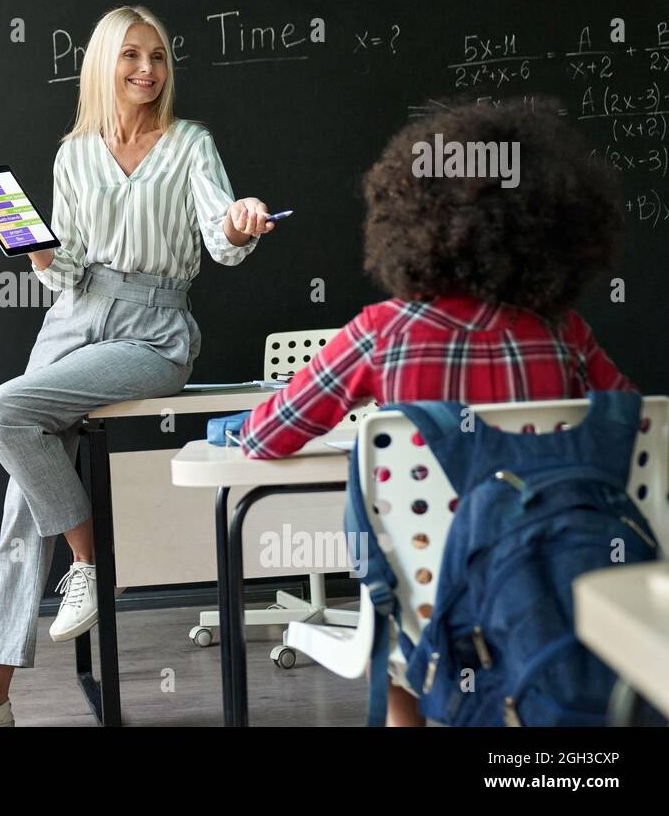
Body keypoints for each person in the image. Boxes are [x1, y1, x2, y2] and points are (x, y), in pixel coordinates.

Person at [235, 97, 633, 725]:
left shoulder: (381, 331)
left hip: (429, 608)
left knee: (398, 628)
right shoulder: (565, 333)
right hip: (550, 591)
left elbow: (263, 437)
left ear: (410, 223)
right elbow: (633, 431)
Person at [0, 5, 278, 726]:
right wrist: (25, 242)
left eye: (156, 56)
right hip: (73, 319)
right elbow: (69, 270)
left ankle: (88, 566)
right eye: (130, 56)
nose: (147, 70)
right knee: (20, 508)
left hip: (152, 331)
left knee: (6, 410)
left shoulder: (190, 144)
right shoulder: (74, 155)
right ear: (103, 65)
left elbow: (220, 236)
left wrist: (242, 218)